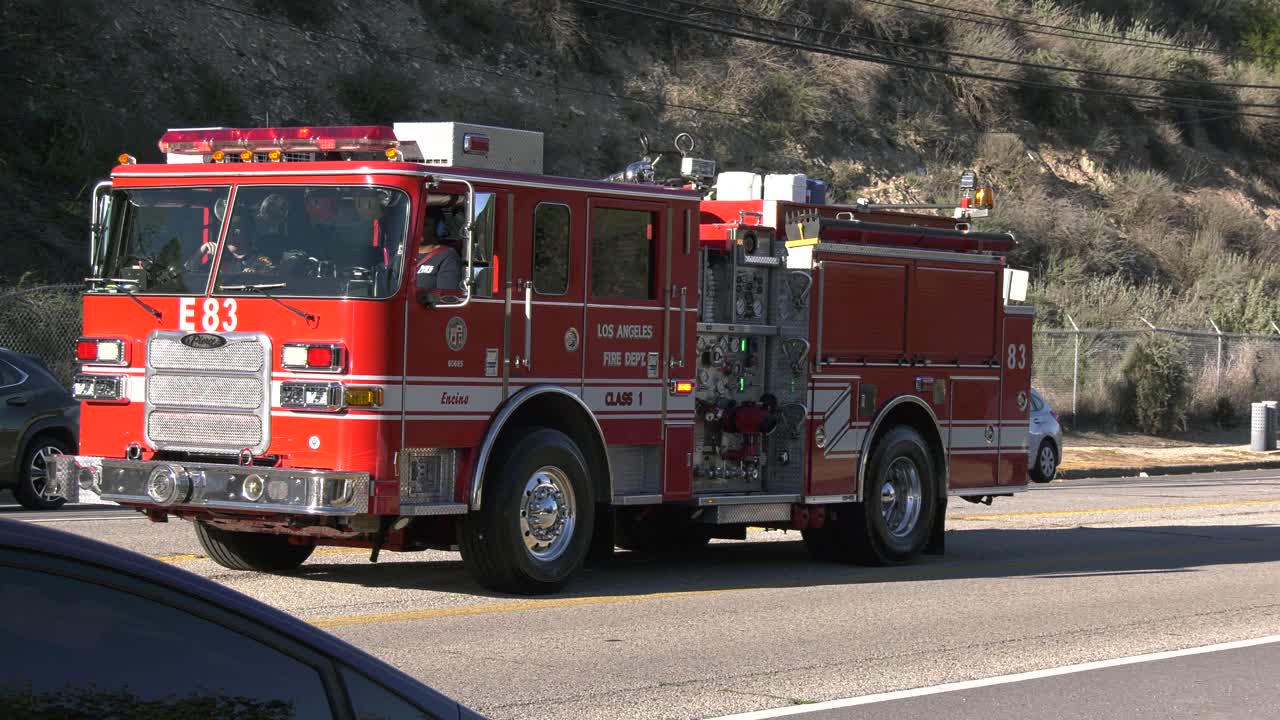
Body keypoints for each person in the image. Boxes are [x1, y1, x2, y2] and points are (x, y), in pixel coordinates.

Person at [415, 209, 462, 300]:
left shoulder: (447, 256)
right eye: (416, 224)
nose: (419, 229)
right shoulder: (402, 256)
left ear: (438, 229)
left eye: (425, 225)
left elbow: (446, 297)